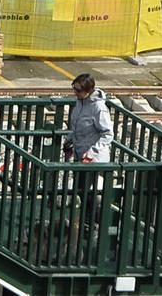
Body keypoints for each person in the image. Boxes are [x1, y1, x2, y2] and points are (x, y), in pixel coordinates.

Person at [64, 73, 114, 234]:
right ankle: (86, 222)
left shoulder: (98, 108)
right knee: (81, 188)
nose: (75, 93)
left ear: (88, 90)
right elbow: (78, 125)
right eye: (74, 89)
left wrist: (92, 153)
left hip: (93, 158)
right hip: (80, 153)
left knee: (86, 191)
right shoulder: (80, 103)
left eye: (78, 90)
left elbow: (108, 134)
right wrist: (70, 139)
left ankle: (92, 224)